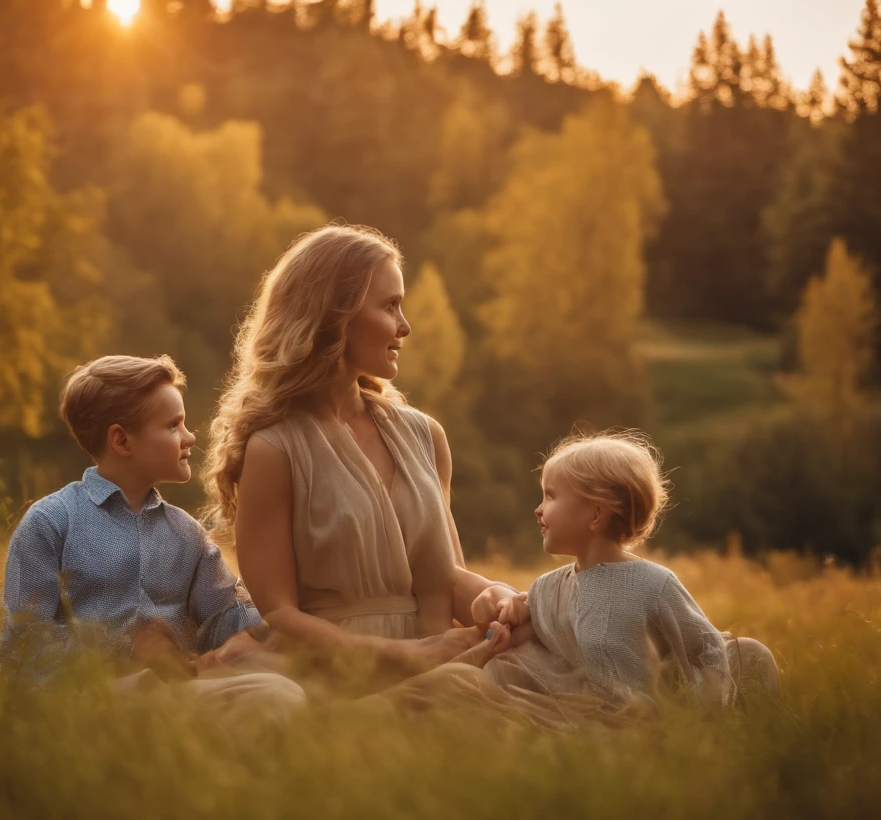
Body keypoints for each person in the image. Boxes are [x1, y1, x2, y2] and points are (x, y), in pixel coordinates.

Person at [202, 224, 520, 689]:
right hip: (335, 671)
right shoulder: (274, 449)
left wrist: (500, 596)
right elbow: (282, 614)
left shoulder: (425, 435)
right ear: (335, 315)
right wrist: (406, 655)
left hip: (445, 661)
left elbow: (443, 575)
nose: (405, 327)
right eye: (390, 306)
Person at [0, 355, 303, 717]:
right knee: (276, 697)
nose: (190, 437)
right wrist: (122, 646)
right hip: (89, 703)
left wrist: (263, 631)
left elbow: (224, 614)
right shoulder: (51, 523)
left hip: (177, 694)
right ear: (122, 441)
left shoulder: (186, 533)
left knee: (290, 687)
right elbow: (21, 652)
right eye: (173, 425)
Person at [480, 430, 781, 707]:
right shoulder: (548, 587)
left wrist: (705, 710)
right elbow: (534, 618)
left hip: (649, 715)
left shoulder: (654, 583)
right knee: (497, 673)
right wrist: (513, 607)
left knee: (752, 655)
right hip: (595, 710)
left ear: (596, 514)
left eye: (551, 496)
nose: (538, 509)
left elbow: (706, 648)